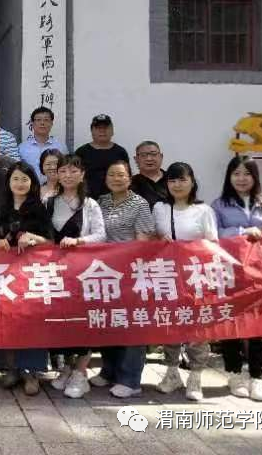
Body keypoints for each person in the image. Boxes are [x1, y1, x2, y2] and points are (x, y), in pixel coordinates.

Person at [212, 155, 262, 402]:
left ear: (255, 177)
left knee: (261, 328)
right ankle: (234, 375)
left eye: (247, 173)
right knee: (231, 325)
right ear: (229, 176)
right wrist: (241, 231)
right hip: (232, 274)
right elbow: (214, 234)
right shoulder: (219, 205)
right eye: (236, 173)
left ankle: (257, 379)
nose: (241, 178)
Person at [153, 162, 218, 402]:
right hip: (168, 276)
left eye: (182, 179)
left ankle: (195, 376)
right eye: (172, 180)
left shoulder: (203, 210)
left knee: (197, 328)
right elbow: (151, 239)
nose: (177, 185)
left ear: (192, 182)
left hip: (196, 276)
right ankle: (171, 373)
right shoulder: (159, 208)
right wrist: (159, 240)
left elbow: (213, 244)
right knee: (170, 324)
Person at [46, 155, 106, 399]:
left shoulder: (90, 205)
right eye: (63, 171)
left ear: (82, 175)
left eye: (73, 171)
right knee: (60, 321)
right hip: (56, 272)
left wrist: (79, 241)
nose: (68, 175)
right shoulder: (49, 202)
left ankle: (81, 373)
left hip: (83, 270)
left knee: (82, 321)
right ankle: (67, 368)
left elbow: (101, 235)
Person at [94, 161, 155, 398]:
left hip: (131, 272)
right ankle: (109, 370)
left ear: (129, 178)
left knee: (132, 325)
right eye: (112, 174)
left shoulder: (140, 204)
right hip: (105, 273)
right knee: (109, 321)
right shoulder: (101, 201)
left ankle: (131, 380)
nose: (116, 179)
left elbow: (143, 242)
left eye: (121, 175)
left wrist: (123, 260)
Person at [0, 162, 53, 396]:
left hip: (32, 273)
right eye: (16, 179)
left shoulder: (39, 207)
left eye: (25, 179)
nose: (20, 184)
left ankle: (32, 372)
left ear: (32, 183)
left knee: (31, 320)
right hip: (5, 274)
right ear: (8, 182)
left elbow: (50, 240)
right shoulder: (1, 206)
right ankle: (12, 368)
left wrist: (33, 238)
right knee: (7, 319)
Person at [74, 114, 129, 200]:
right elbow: (75, 177)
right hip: (87, 200)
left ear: (112, 130)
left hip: (116, 201)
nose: (102, 131)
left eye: (105, 128)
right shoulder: (81, 152)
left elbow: (127, 177)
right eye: (98, 128)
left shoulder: (121, 152)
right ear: (92, 131)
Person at [19, 107, 67, 184]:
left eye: (46, 120)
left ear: (51, 123)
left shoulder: (61, 147)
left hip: (54, 188)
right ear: (32, 123)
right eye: (38, 120)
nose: (42, 123)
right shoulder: (22, 148)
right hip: (30, 188)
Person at [130, 140, 168, 210]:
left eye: (153, 154)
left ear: (161, 156)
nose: (149, 159)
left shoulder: (172, 179)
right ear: (136, 159)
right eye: (143, 155)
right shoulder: (130, 184)